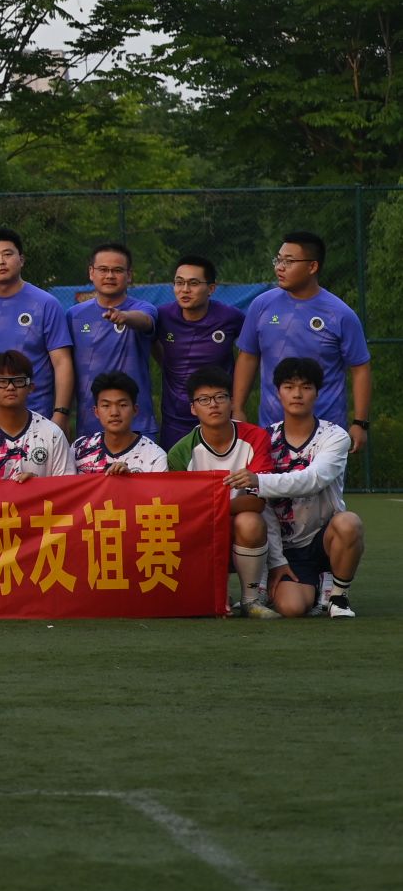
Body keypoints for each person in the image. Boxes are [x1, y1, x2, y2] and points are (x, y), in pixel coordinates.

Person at [231, 357, 364, 618]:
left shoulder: (335, 436)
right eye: (289, 386)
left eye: (306, 387)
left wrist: (260, 481)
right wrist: (277, 559)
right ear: (277, 392)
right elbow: (262, 506)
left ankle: (338, 595)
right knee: (292, 608)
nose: (297, 394)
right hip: (282, 544)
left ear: (317, 392)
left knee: (349, 523)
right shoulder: (263, 438)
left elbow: (313, 480)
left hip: (322, 538)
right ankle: (275, 582)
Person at [235, 231, 373, 448]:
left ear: (312, 267)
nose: (279, 267)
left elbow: (360, 368)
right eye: (278, 260)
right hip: (271, 430)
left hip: (326, 433)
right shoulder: (261, 305)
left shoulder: (340, 314)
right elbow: (248, 357)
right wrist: (238, 408)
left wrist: (360, 422)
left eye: (289, 261)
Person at [166, 367, 276, 614]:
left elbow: (256, 502)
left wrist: (209, 508)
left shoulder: (256, 438)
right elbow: (183, 511)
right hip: (201, 530)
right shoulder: (180, 453)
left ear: (232, 402)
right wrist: (209, 511)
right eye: (204, 400)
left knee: (250, 521)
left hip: (238, 526)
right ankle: (215, 591)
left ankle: (251, 600)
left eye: (220, 397)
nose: (213, 405)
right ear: (193, 408)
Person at [0, 229, 75, 436]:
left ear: (21, 260)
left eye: (8, 254)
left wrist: (60, 413)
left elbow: (62, 362)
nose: (1, 261)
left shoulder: (45, 304)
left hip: (38, 418)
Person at [66, 242, 157, 435]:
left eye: (117, 270)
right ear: (91, 273)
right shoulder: (74, 315)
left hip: (137, 424)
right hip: (89, 425)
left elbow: (145, 321)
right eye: (103, 269)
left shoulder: (143, 308)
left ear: (129, 275)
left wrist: (125, 317)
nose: (109, 276)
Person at [153, 255, 243, 446]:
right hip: (175, 419)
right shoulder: (162, 316)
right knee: (176, 464)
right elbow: (151, 341)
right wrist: (167, 364)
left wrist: (238, 405)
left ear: (211, 288)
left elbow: (250, 352)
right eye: (179, 282)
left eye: (193, 283)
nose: (185, 289)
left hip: (219, 415)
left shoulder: (231, 317)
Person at [0, 350, 77, 481]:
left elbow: (66, 487)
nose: (10, 387)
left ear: (30, 387)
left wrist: (37, 485)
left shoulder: (53, 434)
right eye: (2, 381)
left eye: (18, 381)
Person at [74, 373, 166, 474]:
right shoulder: (79, 448)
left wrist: (129, 479)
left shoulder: (155, 457)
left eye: (122, 405)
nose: (114, 413)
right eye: (106, 405)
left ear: (135, 410)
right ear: (96, 412)